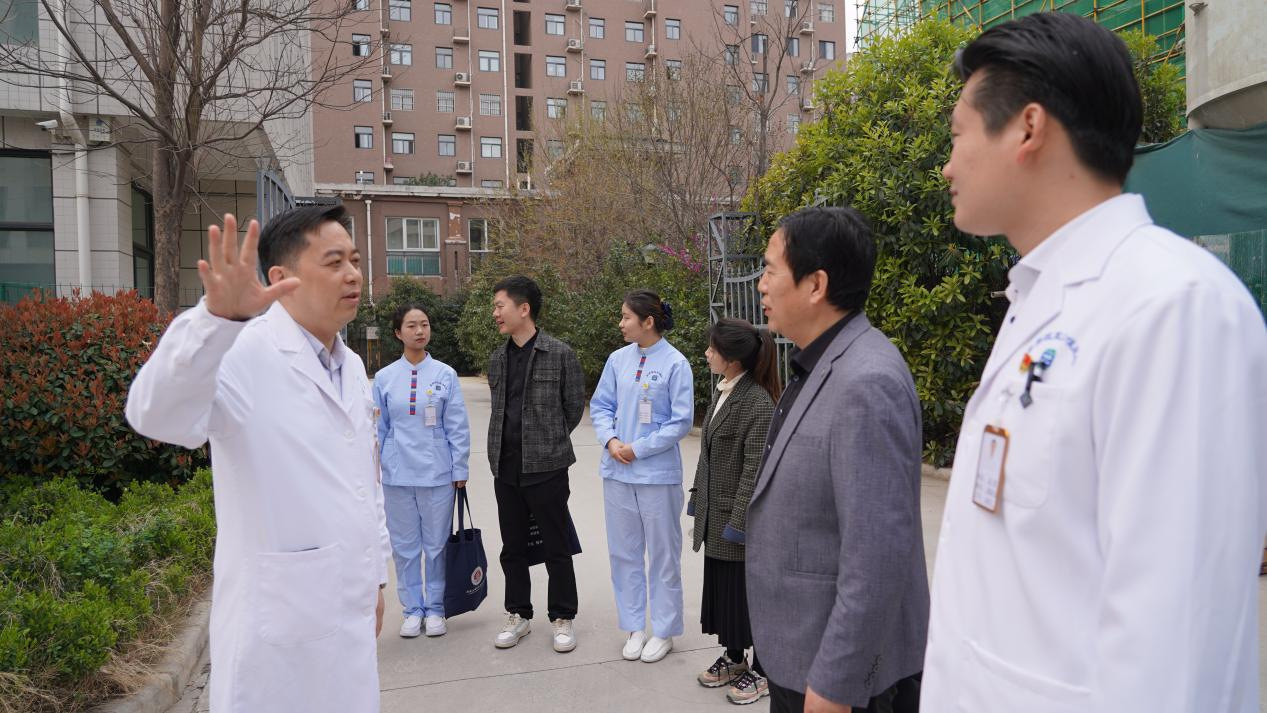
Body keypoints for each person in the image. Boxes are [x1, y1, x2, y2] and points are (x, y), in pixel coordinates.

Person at [921, 13, 1267, 712]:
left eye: (957, 135)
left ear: (1027, 127)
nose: (947, 165)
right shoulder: (1036, 297)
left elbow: (1171, 649)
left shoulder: (1173, 306)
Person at [125, 207, 391, 712]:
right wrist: (215, 319)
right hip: (277, 630)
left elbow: (364, 479)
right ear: (281, 277)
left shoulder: (352, 365)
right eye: (334, 262)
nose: (353, 274)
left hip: (348, 607)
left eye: (355, 261)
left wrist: (375, 572)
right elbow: (154, 413)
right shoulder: (241, 351)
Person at [747, 206, 928, 713]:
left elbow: (877, 557)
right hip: (799, 653)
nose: (761, 285)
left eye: (771, 270)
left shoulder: (866, 382)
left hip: (839, 681)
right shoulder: (822, 362)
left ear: (815, 285)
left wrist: (836, 684)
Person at [590, 289, 695, 664]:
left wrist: (639, 448)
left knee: (663, 555)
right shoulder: (617, 360)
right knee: (624, 553)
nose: (620, 324)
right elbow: (601, 406)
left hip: (657, 475)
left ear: (648, 321)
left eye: (625, 317)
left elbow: (681, 421)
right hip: (617, 472)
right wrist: (611, 440)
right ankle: (634, 626)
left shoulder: (676, 363)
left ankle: (663, 630)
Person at [486, 275, 586, 653]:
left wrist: (548, 441)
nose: (495, 313)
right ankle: (518, 614)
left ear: (524, 308)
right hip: (505, 467)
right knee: (512, 547)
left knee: (556, 546)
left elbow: (573, 407)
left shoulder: (559, 354)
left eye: (500, 306)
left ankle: (562, 616)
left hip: (547, 468)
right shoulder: (498, 358)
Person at [687, 318, 780, 705]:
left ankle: (765, 670)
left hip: (737, 523)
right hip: (716, 515)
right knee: (727, 596)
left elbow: (754, 471)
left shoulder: (757, 403)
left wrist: (738, 524)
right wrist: (697, 497)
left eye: (713, 348)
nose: (707, 353)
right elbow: (708, 454)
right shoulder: (724, 391)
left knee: (747, 598)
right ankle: (736, 657)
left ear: (733, 358)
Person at [373, 303, 471, 639]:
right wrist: (376, 468)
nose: (419, 331)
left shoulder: (445, 374)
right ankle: (412, 609)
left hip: (437, 472)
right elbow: (379, 428)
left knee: (437, 544)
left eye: (425, 324)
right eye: (412, 325)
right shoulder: (385, 378)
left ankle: (436, 607)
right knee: (404, 546)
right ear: (398, 333)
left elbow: (456, 424)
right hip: (397, 472)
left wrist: (460, 466)